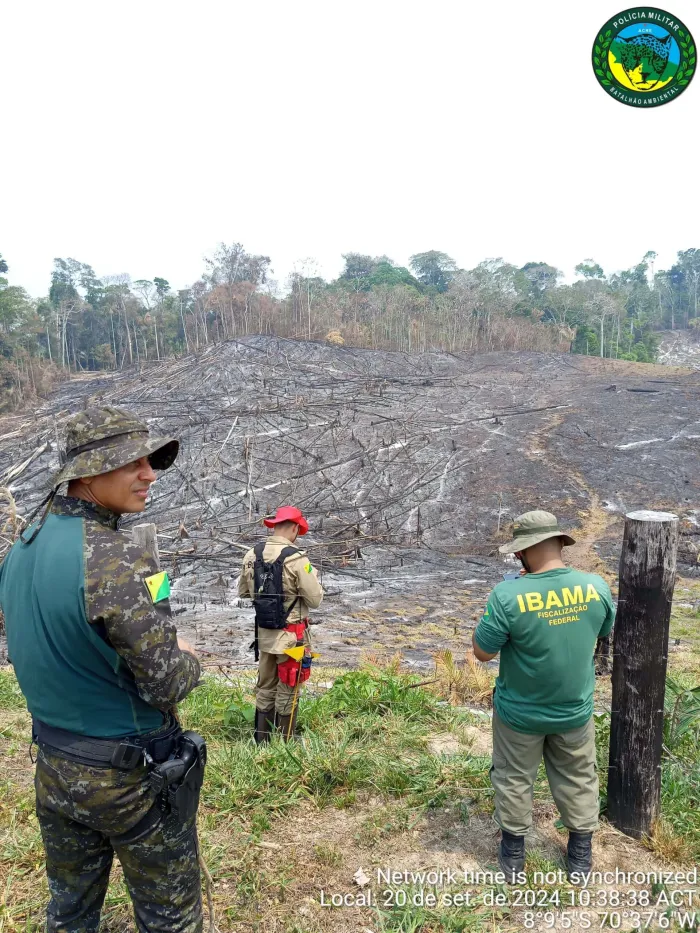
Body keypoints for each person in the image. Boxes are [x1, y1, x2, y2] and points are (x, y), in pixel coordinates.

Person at [0, 407, 204, 933]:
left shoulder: (20, 551)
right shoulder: (117, 558)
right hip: (130, 779)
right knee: (170, 918)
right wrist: (190, 655)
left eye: (149, 461)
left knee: (69, 913)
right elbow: (165, 680)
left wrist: (156, 592)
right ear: (87, 474)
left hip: (54, 766)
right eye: (131, 463)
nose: (149, 474)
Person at [472, 510, 615, 883]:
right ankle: (580, 857)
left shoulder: (507, 595)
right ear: (558, 543)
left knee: (514, 777)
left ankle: (513, 856)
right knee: (580, 776)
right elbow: (602, 629)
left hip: (519, 713)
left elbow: (483, 652)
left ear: (523, 552)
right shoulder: (595, 586)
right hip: (574, 711)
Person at [238, 505, 324, 742]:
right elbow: (315, 600)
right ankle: (286, 741)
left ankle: (262, 741)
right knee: (289, 686)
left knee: (265, 686)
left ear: (275, 525)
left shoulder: (251, 554)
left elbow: (244, 592)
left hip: (264, 634)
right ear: (295, 528)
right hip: (292, 637)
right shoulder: (298, 559)